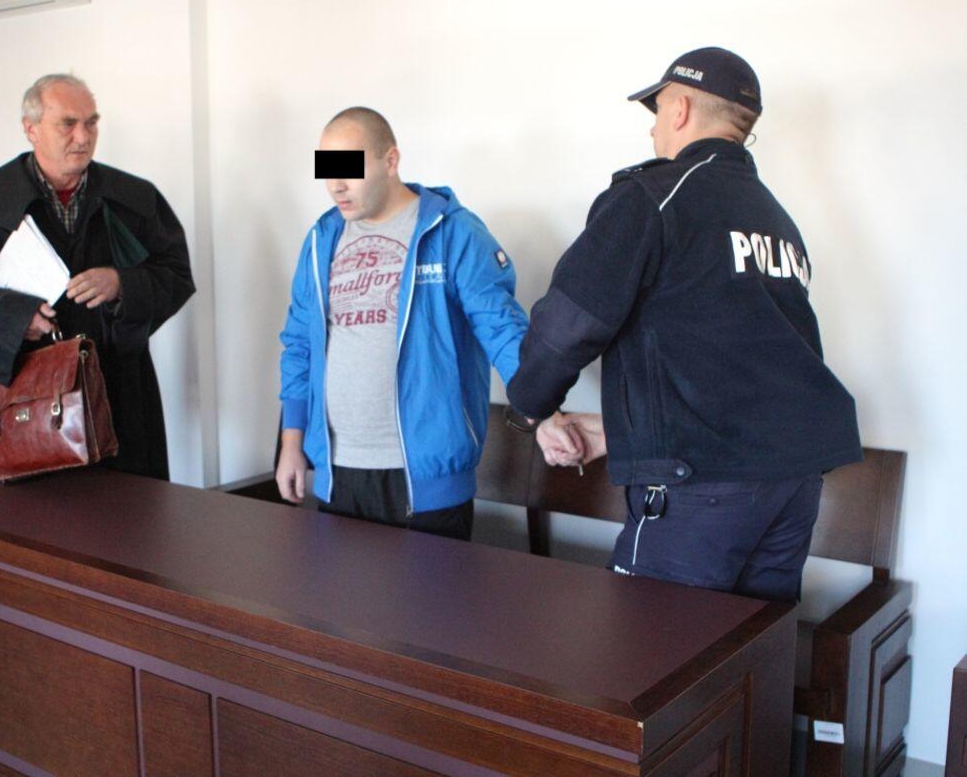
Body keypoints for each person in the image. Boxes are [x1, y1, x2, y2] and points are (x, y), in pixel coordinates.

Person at [506, 48, 862, 602]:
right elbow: (734, 366)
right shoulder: (774, 219)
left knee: (648, 646)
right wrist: (620, 432)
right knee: (754, 645)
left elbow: (570, 323)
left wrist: (530, 406)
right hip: (793, 480)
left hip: (700, 493)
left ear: (680, 109)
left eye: (656, 113)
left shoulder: (652, 197)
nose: (652, 130)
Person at [0, 73, 194, 479]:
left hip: (119, 385)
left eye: (91, 123)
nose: (83, 137)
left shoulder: (132, 197)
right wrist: (16, 318)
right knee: (44, 512)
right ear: (31, 129)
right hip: (31, 390)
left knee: (131, 508)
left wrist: (121, 283)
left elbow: (175, 272)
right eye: (67, 124)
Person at [276, 107, 528, 540]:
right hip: (338, 473)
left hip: (427, 483)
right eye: (326, 170)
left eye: (348, 169)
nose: (335, 185)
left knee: (432, 590)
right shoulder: (320, 239)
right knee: (338, 589)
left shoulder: (452, 232)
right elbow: (299, 346)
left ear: (390, 161)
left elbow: (501, 329)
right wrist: (291, 444)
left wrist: (544, 407)